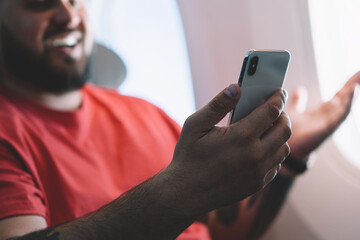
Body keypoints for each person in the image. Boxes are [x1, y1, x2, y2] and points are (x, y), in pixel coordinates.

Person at [0, 0, 358, 239]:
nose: (68, 15)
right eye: (40, 1)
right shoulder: (7, 131)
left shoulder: (140, 111)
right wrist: (182, 190)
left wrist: (288, 156)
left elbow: (223, 228)